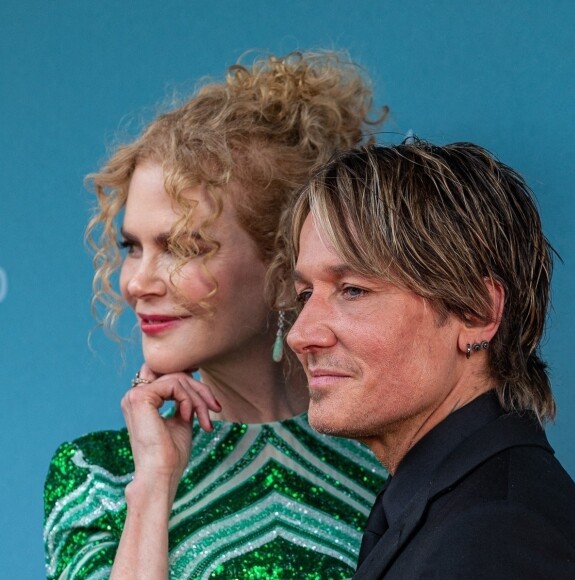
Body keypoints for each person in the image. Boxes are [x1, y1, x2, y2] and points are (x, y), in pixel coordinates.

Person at [43, 51, 389, 579]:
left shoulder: (391, 457)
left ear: (283, 267)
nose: (138, 282)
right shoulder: (99, 476)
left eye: (183, 247)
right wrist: (153, 487)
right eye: (132, 246)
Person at [286, 142, 575, 579]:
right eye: (305, 295)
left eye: (353, 290)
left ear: (478, 312)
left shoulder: (496, 538)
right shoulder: (453, 511)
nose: (301, 334)